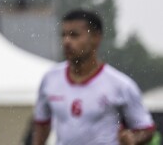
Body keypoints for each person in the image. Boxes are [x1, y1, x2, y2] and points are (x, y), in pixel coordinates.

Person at [32, 9, 156, 145]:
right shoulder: (50, 79)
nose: (66, 41)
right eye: (63, 35)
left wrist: (132, 139)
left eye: (74, 35)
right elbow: (41, 126)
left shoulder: (121, 85)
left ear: (96, 38)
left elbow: (147, 129)